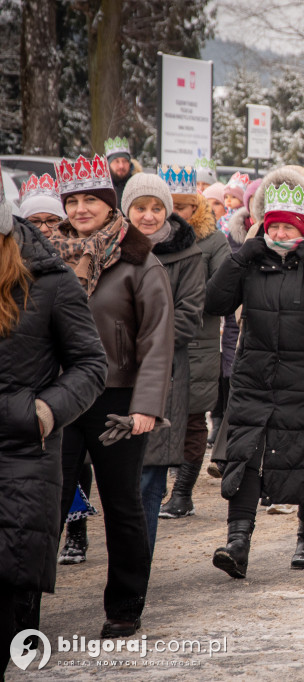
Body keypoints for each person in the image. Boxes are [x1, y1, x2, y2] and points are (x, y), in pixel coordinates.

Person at [50, 154, 174, 638]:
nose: (81, 209)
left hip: (117, 401)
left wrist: (145, 407)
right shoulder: (46, 255)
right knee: (48, 505)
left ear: (108, 204)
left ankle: (125, 605)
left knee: (122, 505)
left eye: (91, 200)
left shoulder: (139, 260)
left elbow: (156, 339)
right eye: (73, 201)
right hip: (59, 397)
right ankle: (22, 608)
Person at [205, 177, 304, 578]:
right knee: (246, 455)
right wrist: (239, 258)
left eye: (289, 227)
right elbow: (215, 301)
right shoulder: (250, 263)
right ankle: (238, 541)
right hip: (255, 378)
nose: (280, 234)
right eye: (274, 226)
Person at [0, 179, 107, 675]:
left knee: (12, 604)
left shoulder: (50, 279)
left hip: (21, 456)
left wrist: (43, 411)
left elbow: (90, 364)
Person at [121, 172, 205, 554]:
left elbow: (187, 318)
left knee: (147, 483)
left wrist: (132, 339)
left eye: (157, 208)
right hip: (111, 375)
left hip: (164, 377)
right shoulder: (108, 249)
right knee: (114, 483)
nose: (149, 216)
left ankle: (136, 572)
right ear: (127, 211)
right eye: (140, 207)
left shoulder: (188, 255)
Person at [160, 169, 231, 519]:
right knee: (154, 416)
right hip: (154, 342)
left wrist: (187, 300)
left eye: (182, 207)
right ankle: (156, 486)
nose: (174, 214)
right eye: (167, 206)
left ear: (195, 208)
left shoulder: (213, 242)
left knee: (190, 419)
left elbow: (222, 293)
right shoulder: (148, 239)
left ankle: (182, 493)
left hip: (198, 342)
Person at [17, 173, 66, 238]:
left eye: (51, 221)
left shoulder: (80, 246)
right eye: (35, 221)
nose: (43, 229)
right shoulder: (13, 247)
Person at [104, 136, 140, 206]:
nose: (121, 166)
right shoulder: (101, 188)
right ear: (108, 164)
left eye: (125, 161)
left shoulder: (139, 185)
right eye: (116, 161)